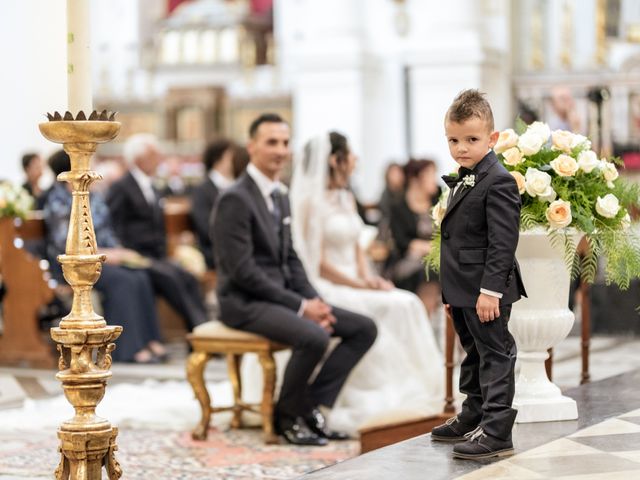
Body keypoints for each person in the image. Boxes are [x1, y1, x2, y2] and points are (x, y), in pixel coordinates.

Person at [211, 114, 377, 446]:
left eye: (285, 143)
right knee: (314, 337)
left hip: (278, 295)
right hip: (243, 301)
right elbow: (243, 272)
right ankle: (287, 416)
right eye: (271, 142)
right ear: (252, 146)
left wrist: (317, 302)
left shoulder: (280, 194)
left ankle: (311, 407)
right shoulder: (235, 198)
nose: (280, 150)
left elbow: (292, 259)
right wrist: (301, 307)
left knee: (363, 328)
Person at [289, 132, 444, 435]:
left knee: (407, 302)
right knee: (390, 308)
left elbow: (358, 249)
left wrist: (370, 278)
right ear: (336, 160)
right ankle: (374, 391)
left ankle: (425, 387)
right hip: (328, 283)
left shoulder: (346, 197)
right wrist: (359, 286)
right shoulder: (311, 201)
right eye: (351, 154)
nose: (356, 159)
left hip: (356, 280)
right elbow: (317, 262)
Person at [430, 89, 527, 460]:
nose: (461, 148)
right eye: (453, 140)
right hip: (463, 290)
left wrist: (490, 291)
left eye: (471, 139)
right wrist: (452, 294)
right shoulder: (467, 176)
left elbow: (502, 243)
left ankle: (498, 429)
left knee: (495, 354)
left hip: (487, 292)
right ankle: (473, 413)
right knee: (473, 352)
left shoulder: (498, 180)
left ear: (492, 138)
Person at [43, 150, 167, 363]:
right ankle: (126, 349)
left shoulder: (94, 195)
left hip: (102, 258)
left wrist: (119, 250)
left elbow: (107, 230)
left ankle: (149, 339)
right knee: (124, 281)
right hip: (74, 265)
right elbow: (66, 242)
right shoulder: (57, 200)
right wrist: (106, 254)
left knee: (140, 276)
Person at [106, 134, 207, 331]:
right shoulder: (122, 187)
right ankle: (199, 331)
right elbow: (113, 224)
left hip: (156, 254)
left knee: (188, 276)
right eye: (154, 154)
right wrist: (123, 251)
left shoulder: (152, 185)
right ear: (139, 159)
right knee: (171, 279)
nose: (159, 158)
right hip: (136, 254)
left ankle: (202, 330)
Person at [388, 159, 442, 318]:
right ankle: (424, 322)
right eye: (430, 175)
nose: (435, 179)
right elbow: (402, 243)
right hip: (407, 261)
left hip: (438, 256)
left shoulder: (438, 199)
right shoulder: (398, 206)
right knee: (431, 270)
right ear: (415, 179)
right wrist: (432, 248)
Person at [190, 139, 239, 269]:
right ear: (219, 159)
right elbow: (205, 227)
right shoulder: (203, 190)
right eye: (231, 157)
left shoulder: (236, 186)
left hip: (235, 247)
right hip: (213, 250)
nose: (235, 162)